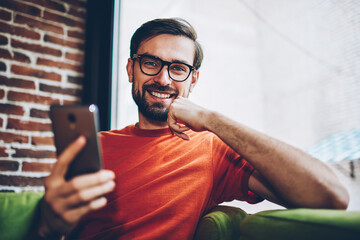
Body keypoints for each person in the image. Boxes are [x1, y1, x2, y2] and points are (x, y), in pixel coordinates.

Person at [37, 18, 349, 239]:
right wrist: (50, 225)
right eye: (150, 63)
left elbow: (331, 195)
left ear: (193, 80)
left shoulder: (211, 147)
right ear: (131, 69)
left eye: (178, 68)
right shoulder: (96, 145)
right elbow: (58, 230)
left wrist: (211, 118)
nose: (163, 78)